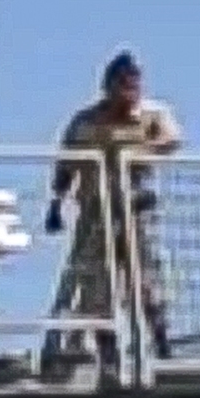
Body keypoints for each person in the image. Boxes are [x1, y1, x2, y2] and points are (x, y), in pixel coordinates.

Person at [57, 51, 184, 365]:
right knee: (96, 282)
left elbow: (172, 139)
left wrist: (133, 153)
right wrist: (56, 201)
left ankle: (160, 339)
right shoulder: (85, 121)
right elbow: (66, 162)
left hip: (135, 208)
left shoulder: (151, 115)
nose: (129, 93)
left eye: (134, 86)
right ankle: (107, 348)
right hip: (94, 213)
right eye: (123, 86)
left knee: (146, 279)